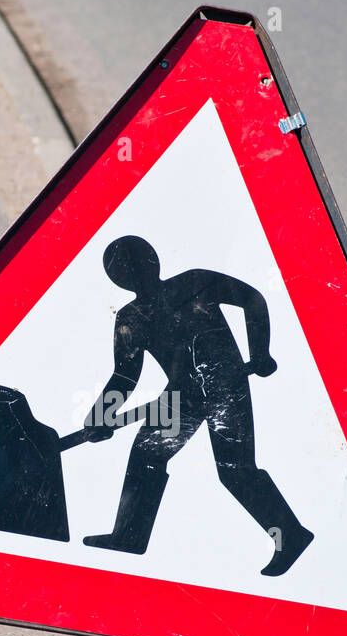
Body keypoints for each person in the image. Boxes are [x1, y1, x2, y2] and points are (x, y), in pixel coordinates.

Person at [82, 236, 313, 575]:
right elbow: (125, 376)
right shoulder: (131, 318)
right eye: (125, 269)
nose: (134, 273)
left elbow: (252, 299)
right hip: (180, 397)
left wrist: (259, 352)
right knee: (146, 455)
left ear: (152, 261)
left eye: (136, 264)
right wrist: (101, 415)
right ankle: (129, 536)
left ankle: (290, 534)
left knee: (235, 470)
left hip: (225, 387)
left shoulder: (195, 281)